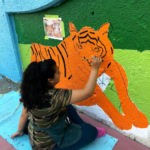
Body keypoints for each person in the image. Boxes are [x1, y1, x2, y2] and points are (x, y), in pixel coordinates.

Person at [11, 57, 106, 150]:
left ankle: (81, 125)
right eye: (57, 72)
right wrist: (94, 69)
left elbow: (24, 115)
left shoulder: (31, 91)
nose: (59, 72)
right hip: (50, 145)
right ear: (50, 80)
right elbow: (87, 92)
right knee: (92, 132)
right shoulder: (56, 97)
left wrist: (19, 131)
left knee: (67, 105)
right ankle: (82, 128)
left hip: (36, 137)